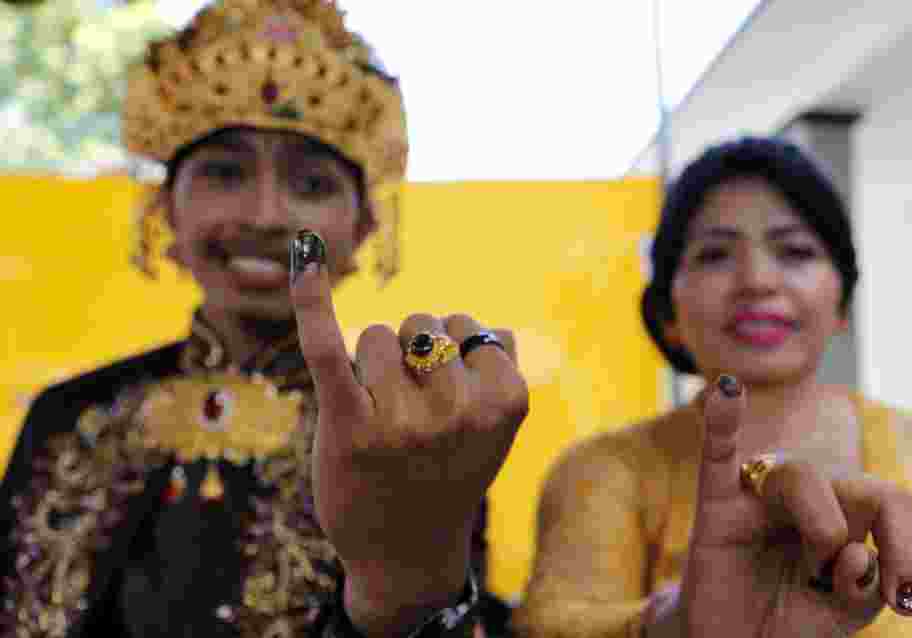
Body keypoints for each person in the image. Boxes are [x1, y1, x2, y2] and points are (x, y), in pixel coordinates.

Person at [0, 1, 526, 636]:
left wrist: (400, 592)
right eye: (225, 173)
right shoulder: (71, 414)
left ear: (363, 227)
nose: (267, 215)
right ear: (166, 205)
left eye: (311, 184)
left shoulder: (409, 425)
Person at [511, 136, 912, 637]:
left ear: (842, 302)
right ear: (668, 313)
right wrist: (677, 624)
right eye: (715, 255)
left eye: (795, 252)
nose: (757, 280)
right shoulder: (603, 474)